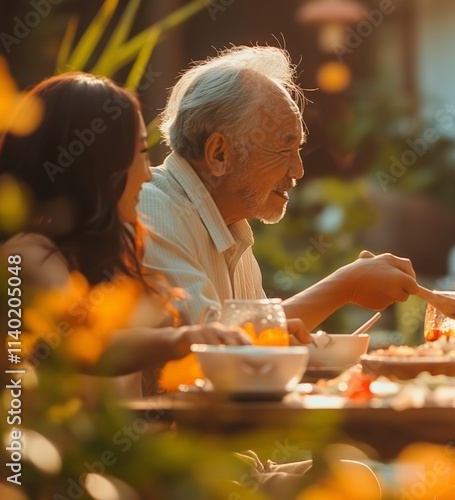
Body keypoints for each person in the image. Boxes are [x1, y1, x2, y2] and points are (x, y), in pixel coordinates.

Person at [0, 73, 258, 395]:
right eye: (142, 152)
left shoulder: (109, 250)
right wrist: (185, 338)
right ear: (97, 163)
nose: (147, 174)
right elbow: (88, 341)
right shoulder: (26, 256)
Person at [139, 46, 418, 327]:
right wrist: (345, 286)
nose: (298, 170)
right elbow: (211, 341)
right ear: (219, 154)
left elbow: (257, 344)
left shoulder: (231, 228)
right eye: (283, 150)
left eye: (298, 150)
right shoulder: (154, 208)